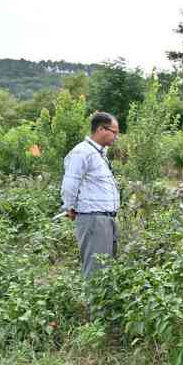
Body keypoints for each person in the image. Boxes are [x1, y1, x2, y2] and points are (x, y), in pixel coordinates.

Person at [60, 112, 121, 278]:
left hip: (107, 218)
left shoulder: (99, 154)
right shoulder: (82, 152)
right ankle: (93, 304)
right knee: (96, 269)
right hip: (94, 219)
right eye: (114, 132)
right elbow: (70, 183)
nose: (116, 136)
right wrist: (69, 207)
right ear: (101, 129)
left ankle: (104, 304)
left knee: (107, 268)